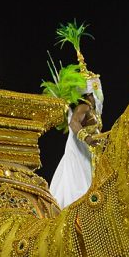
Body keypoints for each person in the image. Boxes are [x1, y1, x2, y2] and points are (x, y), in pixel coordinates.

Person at [44, 64, 104, 208]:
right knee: (79, 184)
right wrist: (88, 138)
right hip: (80, 152)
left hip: (90, 154)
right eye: (96, 88)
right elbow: (73, 123)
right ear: (91, 91)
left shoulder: (93, 109)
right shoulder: (84, 107)